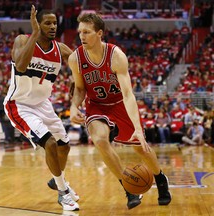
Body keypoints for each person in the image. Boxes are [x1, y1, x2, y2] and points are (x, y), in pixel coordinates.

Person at [68, 13, 171, 209]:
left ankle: (160, 178)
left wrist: (139, 129)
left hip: (120, 104)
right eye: (80, 31)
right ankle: (128, 187)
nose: (82, 36)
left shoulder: (116, 56)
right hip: (96, 105)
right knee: (99, 139)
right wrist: (74, 106)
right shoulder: (75, 58)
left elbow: (128, 94)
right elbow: (80, 88)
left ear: (99, 33)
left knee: (140, 147)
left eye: (87, 32)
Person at [3, 6, 79, 211]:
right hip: (20, 105)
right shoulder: (22, 40)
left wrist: (75, 78)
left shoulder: (61, 49)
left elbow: (78, 64)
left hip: (43, 104)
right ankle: (63, 193)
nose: (53, 26)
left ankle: (57, 180)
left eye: (55, 23)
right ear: (37, 23)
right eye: (47, 23)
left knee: (64, 146)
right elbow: (19, 65)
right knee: (51, 144)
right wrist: (35, 34)